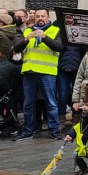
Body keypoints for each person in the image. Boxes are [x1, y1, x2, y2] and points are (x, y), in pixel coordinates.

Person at [13, 8, 62, 140]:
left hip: (47, 72)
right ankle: (28, 130)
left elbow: (59, 47)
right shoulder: (28, 31)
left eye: (43, 16)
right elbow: (16, 48)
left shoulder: (56, 30)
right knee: (28, 103)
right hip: (29, 71)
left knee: (51, 102)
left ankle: (54, 130)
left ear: (48, 17)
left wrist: (45, 37)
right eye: (37, 16)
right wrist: (25, 40)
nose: (40, 18)